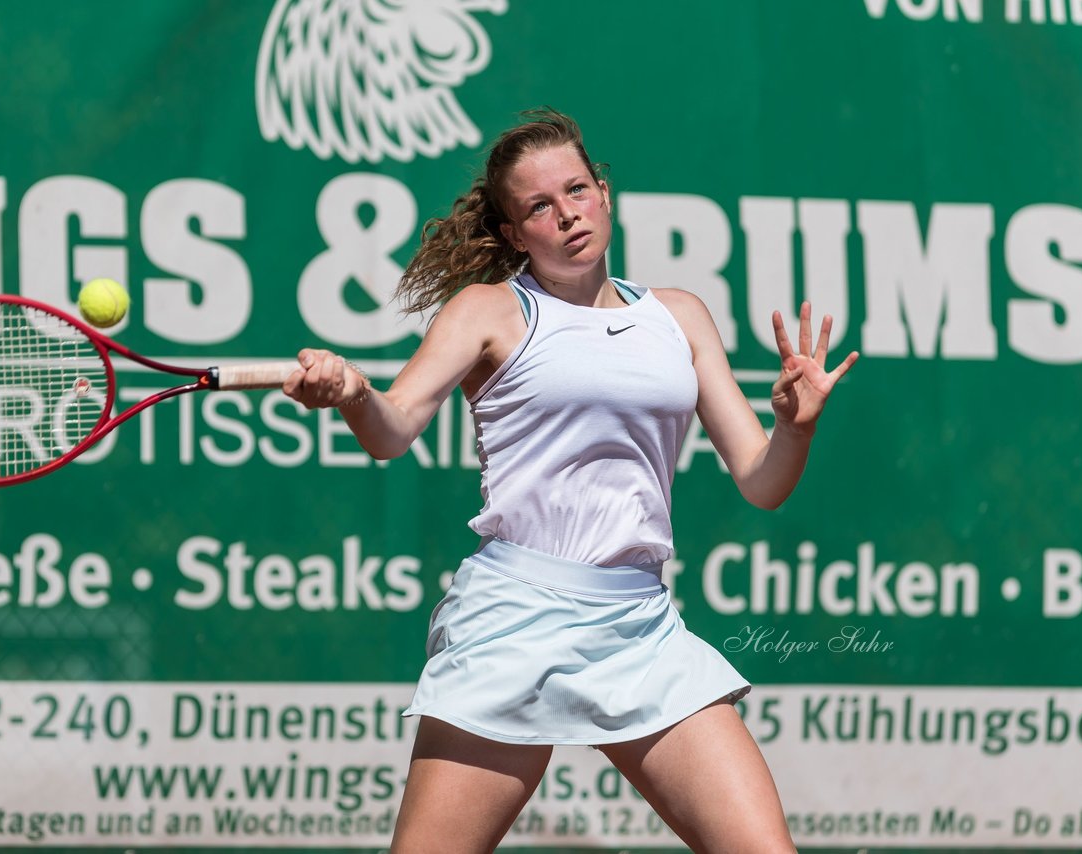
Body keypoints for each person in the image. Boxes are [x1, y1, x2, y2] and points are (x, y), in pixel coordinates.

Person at [283, 108, 858, 853]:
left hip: (640, 628)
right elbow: (393, 430)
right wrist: (354, 394)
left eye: (577, 191)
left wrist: (796, 427)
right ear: (515, 233)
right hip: (513, 622)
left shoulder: (679, 316)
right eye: (539, 207)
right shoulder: (488, 310)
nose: (567, 215)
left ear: (604, 192)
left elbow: (761, 481)